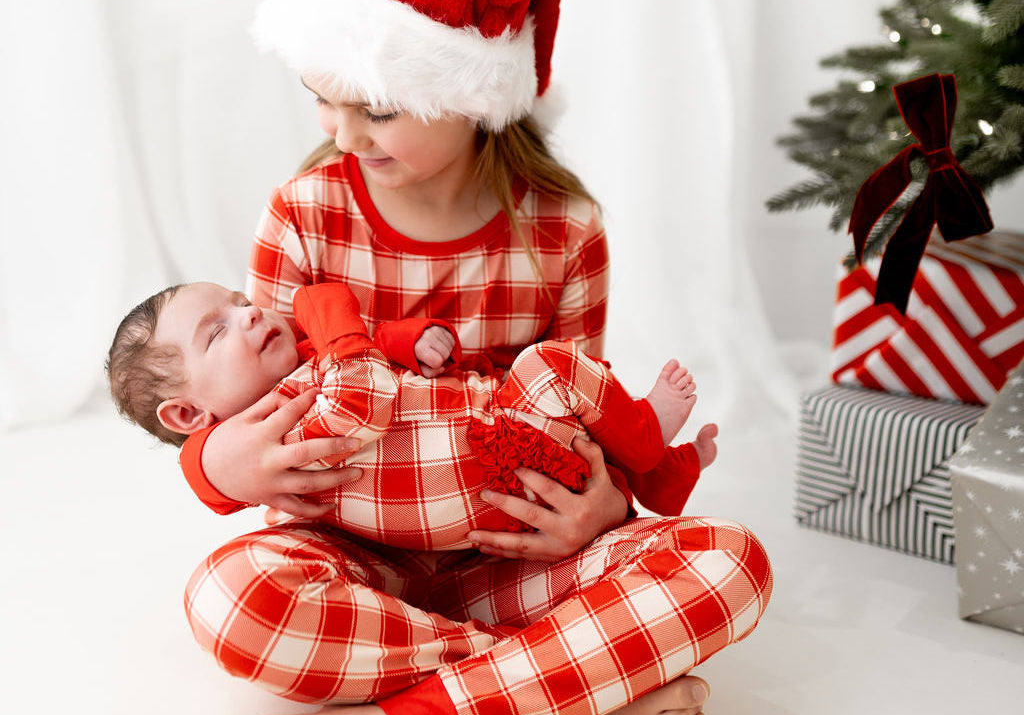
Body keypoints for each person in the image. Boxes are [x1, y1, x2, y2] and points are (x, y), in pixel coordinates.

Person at [171, 0, 772, 715]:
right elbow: (245, 394)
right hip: (354, 556)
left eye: (377, 107)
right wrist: (215, 467)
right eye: (322, 99)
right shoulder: (306, 213)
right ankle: (571, 691)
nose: (344, 131)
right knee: (227, 599)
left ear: (479, 93)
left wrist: (607, 509)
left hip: (516, 557)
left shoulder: (564, 233)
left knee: (731, 564)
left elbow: (583, 406)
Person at [107, 279, 720, 548]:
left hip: (508, 460)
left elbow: (369, 354)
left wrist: (408, 341)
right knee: (553, 367)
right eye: (216, 333)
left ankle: (650, 466)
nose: (248, 314)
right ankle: (644, 441)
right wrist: (330, 309)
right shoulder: (274, 433)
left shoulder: (306, 355)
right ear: (188, 412)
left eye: (240, 302)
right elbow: (359, 395)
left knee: (564, 395)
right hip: (487, 477)